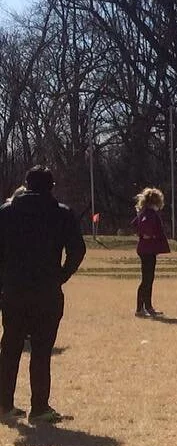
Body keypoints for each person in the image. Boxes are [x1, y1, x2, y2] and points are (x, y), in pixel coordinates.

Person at [0, 168, 86, 424]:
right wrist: (62, 275)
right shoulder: (62, 213)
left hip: (13, 289)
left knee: (10, 348)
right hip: (47, 291)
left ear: (25, 185)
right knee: (41, 350)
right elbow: (77, 250)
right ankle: (39, 408)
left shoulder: (6, 213)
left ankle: (4, 404)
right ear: (52, 186)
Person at [131, 186, 170, 317]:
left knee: (148, 278)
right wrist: (149, 234)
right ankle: (141, 308)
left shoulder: (143, 212)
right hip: (147, 249)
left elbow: (134, 224)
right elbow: (145, 226)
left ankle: (146, 307)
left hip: (145, 248)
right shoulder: (150, 213)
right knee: (147, 279)